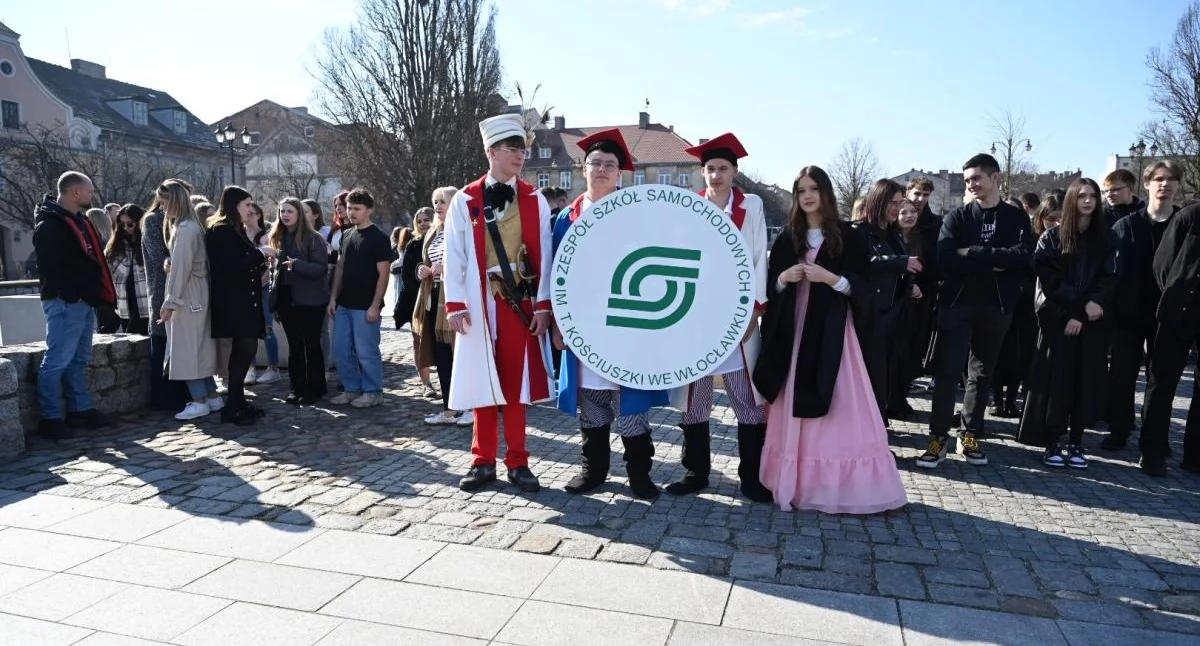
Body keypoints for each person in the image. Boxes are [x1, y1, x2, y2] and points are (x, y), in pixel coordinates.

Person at [753, 166, 906, 513]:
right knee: (794, 399)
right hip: (793, 332)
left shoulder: (847, 236)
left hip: (834, 332)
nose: (807, 196)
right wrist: (783, 280)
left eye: (813, 189)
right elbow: (769, 288)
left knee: (841, 403)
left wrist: (830, 278)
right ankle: (795, 480)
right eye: (801, 190)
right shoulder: (787, 237)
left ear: (825, 193)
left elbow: (862, 287)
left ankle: (842, 485)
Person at [552, 128, 667, 499]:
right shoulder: (566, 218)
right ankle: (594, 471)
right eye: (595, 163)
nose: (601, 169)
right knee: (592, 403)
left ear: (620, 173)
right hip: (583, 326)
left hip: (626, 321)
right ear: (583, 170)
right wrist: (557, 321)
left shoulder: (637, 213)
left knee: (630, 403)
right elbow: (555, 276)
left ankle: (640, 475)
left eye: (609, 165)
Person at [443, 113, 554, 493]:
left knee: (515, 384)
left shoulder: (535, 199)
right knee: (481, 381)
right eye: (512, 148)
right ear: (490, 151)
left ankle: (518, 461)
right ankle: (482, 460)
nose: (520, 155)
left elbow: (545, 256)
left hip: (516, 300)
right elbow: (454, 253)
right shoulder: (465, 198)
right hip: (476, 300)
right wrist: (455, 303)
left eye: (523, 149)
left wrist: (543, 306)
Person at [659, 133, 772, 501]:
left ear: (735, 171)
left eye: (723, 168)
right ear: (702, 172)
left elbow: (758, 256)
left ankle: (752, 477)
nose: (716, 175)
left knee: (746, 397)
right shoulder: (690, 206)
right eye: (710, 169)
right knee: (696, 397)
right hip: (697, 316)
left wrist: (754, 310)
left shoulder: (750, 205)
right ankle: (695, 472)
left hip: (738, 315)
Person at [917, 153, 1034, 469]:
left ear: (995, 178)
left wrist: (975, 253)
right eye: (967, 179)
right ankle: (938, 437)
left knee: (982, 374)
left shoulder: (1016, 218)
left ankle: (969, 434)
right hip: (957, 305)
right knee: (947, 373)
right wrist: (995, 262)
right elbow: (946, 259)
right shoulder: (957, 218)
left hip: (997, 306)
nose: (971, 184)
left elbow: (1023, 257)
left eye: (976, 178)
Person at [1017, 178, 1117, 469]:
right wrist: (1074, 311)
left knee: (1085, 382)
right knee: (1056, 383)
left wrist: (1085, 312)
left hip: (1093, 323)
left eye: (1093, 196)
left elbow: (1110, 277)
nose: (1087, 201)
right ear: (1072, 199)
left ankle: (1077, 441)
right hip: (1059, 323)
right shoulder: (1051, 238)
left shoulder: (1108, 238)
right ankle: (1053, 441)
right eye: (1081, 196)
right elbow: (1051, 281)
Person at [32, 171, 120, 439]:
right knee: (57, 360)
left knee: (79, 358)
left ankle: (80, 409)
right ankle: (50, 418)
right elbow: (50, 267)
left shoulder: (78, 221)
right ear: (75, 193)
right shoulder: (51, 224)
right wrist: (71, 295)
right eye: (90, 190)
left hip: (82, 301)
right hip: (65, 301)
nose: (93, 195)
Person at [1103, 161, 1183, 452]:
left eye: (1172, 179)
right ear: (1146, 185)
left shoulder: (1184, 224)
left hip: (1170, 316)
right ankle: (1119, 430)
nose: (1166, 184)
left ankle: (1155, 438)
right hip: (1129, 313)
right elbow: (1113, 272)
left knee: (1161, 380)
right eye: (1159, 178)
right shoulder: (1127, 225)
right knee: (1122, 375)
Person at [1138, 171, 1200, 477]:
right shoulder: (1190, 217)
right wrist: (1174, 297)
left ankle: (1195, 455)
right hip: (1178, 310)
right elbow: (1162, 264)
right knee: (1162, 382)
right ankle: (1153, 450)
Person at [853, 179, 919, 423]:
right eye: (892, 202)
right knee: (871, 379)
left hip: (894, 316)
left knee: (886, 379)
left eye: (900, 202)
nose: (897, 208)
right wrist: (899, 263)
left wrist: (910, 286)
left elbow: (897, 270)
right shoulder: (859, 231)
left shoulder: (894, 234)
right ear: (878, 200)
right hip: (870, 319)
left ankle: (878, 431)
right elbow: (862, 265)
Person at [206, 186, 273, 424]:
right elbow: (232, 265)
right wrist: (261, 252)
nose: (249, 210)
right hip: (232, 301)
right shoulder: (221, 230)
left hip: (244, 298)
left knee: (246, 351)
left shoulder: (235, 229)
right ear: (234, 205)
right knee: (243, 351)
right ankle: (233, 405)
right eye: (246, 205)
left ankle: (237, 401)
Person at [161, 185, 223, 421]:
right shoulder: (192, 227)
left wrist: (171, 302)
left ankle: (199, 400)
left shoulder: (185, 229)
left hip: (188, 296)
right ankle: (211, 395)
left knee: (187, 350)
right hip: (196, 294)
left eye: (165, 203)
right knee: (198, 348)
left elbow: (181, 270)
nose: (163, 208)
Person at [327, 188, 391, 408]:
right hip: (344, 303)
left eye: (356, 208)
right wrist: (333, 298)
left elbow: (384, 274)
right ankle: (351, 388)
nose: (351, 212)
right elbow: (340, 268)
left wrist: (375, 305)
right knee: (341, 350)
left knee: (366, 351)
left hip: (366, 306)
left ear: (369, 210)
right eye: (349, 208)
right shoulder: (346, 235)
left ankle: (373, 391)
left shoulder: (379, 238)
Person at [413, 192, 473, 427]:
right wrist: (422, 269)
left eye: (442, 201)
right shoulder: (434, 232)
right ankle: (450, 408)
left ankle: (470, 406)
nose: (437, 206)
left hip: (456, 297)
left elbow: (473, 263)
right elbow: (427, 260)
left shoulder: (463, 229)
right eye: (435, 202)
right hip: (434, 296)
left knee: (460, 354)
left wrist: (446, 268)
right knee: (442, 356)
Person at [270, 197, 330, 405]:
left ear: (299, 215)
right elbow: (274, 274)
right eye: (282, 211)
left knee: (311, 345)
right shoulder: (277, 237)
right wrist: (275, 302)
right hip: (287, 299)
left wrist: (297, 265)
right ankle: (296, 388)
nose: (285, 215)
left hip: (311, 300)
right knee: (294, 346)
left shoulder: (313, 238)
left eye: (290, 211)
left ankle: (316, 388)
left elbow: (321, 269)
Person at [142, 181, 194, 411]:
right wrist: (170, 262)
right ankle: (165, 398)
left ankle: (184, 393)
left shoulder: (183, 222)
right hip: (162, 291)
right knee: (162, 341)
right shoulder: (153, 220)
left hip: (182, 291)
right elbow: (158, 256)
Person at [242, 202, 281, 385]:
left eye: (252, 213)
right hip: (244, 288)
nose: (248, 216)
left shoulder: (265, 237)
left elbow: (271, 264)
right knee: (247, 329)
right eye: (246, 213)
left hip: (263, 286)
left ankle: (273, 367)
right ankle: (250, 367)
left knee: (267, 327)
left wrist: (260, 282)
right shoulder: (239, 235)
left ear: (258, 215)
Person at [402, 207, 438, 397]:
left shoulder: (443, 240)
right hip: (417, 300)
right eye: (420, 221)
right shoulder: (413, 245)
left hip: (440, 300)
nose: (423, 224)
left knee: (441, 342)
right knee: (418, 341)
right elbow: (406, 276)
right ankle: (427, 384)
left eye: (427, 220)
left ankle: (448, 380)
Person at [104, 204, 150, 335]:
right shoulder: (114, 245)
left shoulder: (146, 242)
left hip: (145, 303)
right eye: (122, 224)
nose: (126, 228)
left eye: (130, 224)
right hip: (124, 303)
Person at [390, 225, 414, 308]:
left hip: (401, 272)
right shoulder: (414, 243)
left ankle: (399, 307)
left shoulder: (400, 246)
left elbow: (401, 260)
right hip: (413, 272)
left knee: (399, 290)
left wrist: (392, 265)